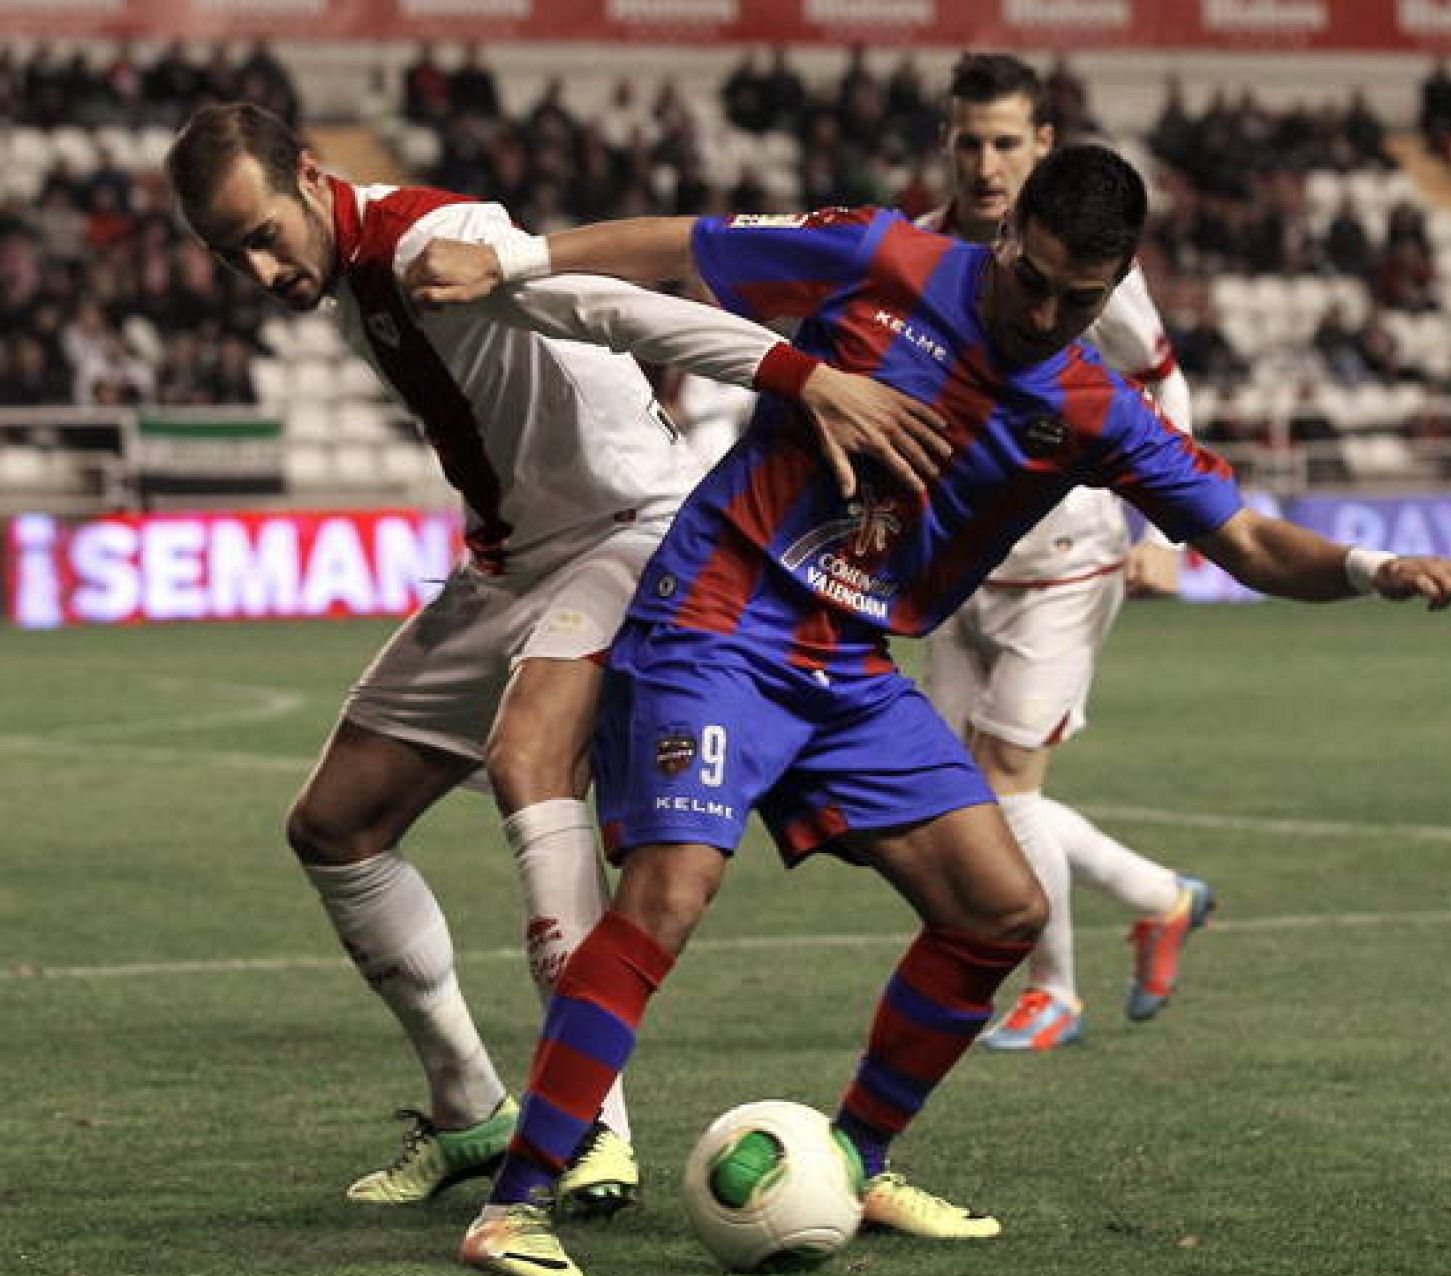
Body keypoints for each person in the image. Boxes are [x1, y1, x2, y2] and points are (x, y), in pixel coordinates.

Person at [406, 142, 1451, 1276]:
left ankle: (857, 1157)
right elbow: (689, 244)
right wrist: (514, 260)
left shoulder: (1092, 407)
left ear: (1116, 278)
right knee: (672, 892)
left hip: (847, 657)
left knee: (999, 910)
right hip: (724, 613)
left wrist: (1376, 565)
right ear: (1006, 231)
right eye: (1029, 278)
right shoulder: (885, 257)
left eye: (1077, 298)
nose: (1041, 311)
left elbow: (1249, 539)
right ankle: (518, 1200)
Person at [163, 103, 949, 1218]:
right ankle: (470, 1105)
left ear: (308, 173)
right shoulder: (344, 274)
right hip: (510, 564)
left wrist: (800, 376)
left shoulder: (434, 242)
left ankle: (587, 1126)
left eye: (261, 232)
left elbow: (618, 308)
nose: (256, 266)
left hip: (630, 527)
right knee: (335, 825)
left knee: (530, 758)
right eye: (227, 250)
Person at [918, 53, 1211, 1049]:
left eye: (1006, 141)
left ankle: (1054, 991)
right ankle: (1158, 894)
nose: (985, 161)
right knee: (964, 797)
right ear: (947, 143)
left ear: (1041, 147)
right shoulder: (921, 253)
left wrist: (1159, 529)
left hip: (1065, 559)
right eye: (970, 141)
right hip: (955, 566)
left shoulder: (1076, 257)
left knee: (1002, 787)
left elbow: (1164, 382)